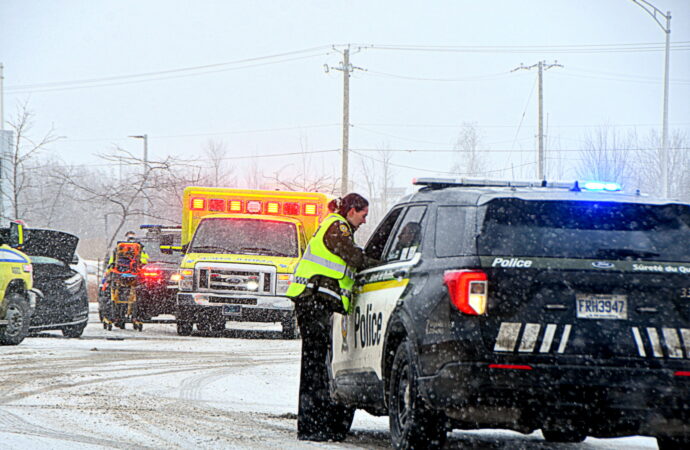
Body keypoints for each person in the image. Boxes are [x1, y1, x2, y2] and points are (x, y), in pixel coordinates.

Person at [286, 193, 379, 442]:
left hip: (314, 301)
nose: (365, 220)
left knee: (316, 365)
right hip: (312, 300)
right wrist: (380, 264)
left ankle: (314, 426)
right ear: (351, 212)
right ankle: (312, 427)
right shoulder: (337, 227)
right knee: (315, 367)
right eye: (363, 214)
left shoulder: (336, 225)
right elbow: (355, 259)